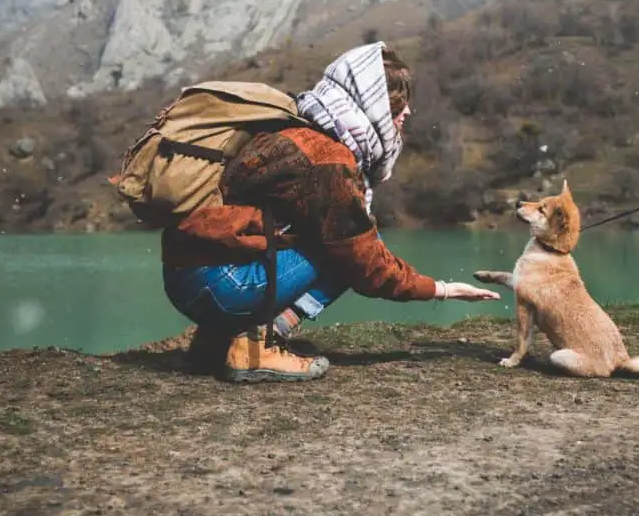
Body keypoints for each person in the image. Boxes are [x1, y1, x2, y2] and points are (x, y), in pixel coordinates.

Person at [161, 41, 500, 382]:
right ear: (371, 103)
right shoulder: (329, 158)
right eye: (397, 100)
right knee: (348, 251)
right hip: (222, 288)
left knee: (331, 240)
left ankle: (217, 342)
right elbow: (365, 263)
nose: (408, 111)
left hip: (186, 281)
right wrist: (441, 289)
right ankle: (258, 345)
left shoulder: (294, 127)